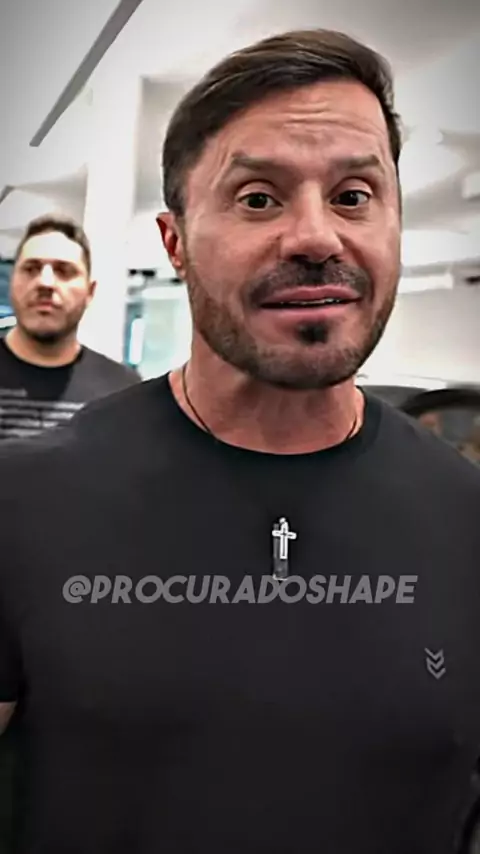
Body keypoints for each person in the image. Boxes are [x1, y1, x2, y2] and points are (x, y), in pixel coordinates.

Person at [1, 28, 480, 854]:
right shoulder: (24, 503)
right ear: (175, 243)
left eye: (354, 195)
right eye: (258, 198)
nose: (316, 237)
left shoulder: (467, 517)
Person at [0, 213, 140, 441]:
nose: (45, 283)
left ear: (90, 292)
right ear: (12, 282)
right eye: (31, 269)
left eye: (64, 271)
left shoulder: (123, 393)